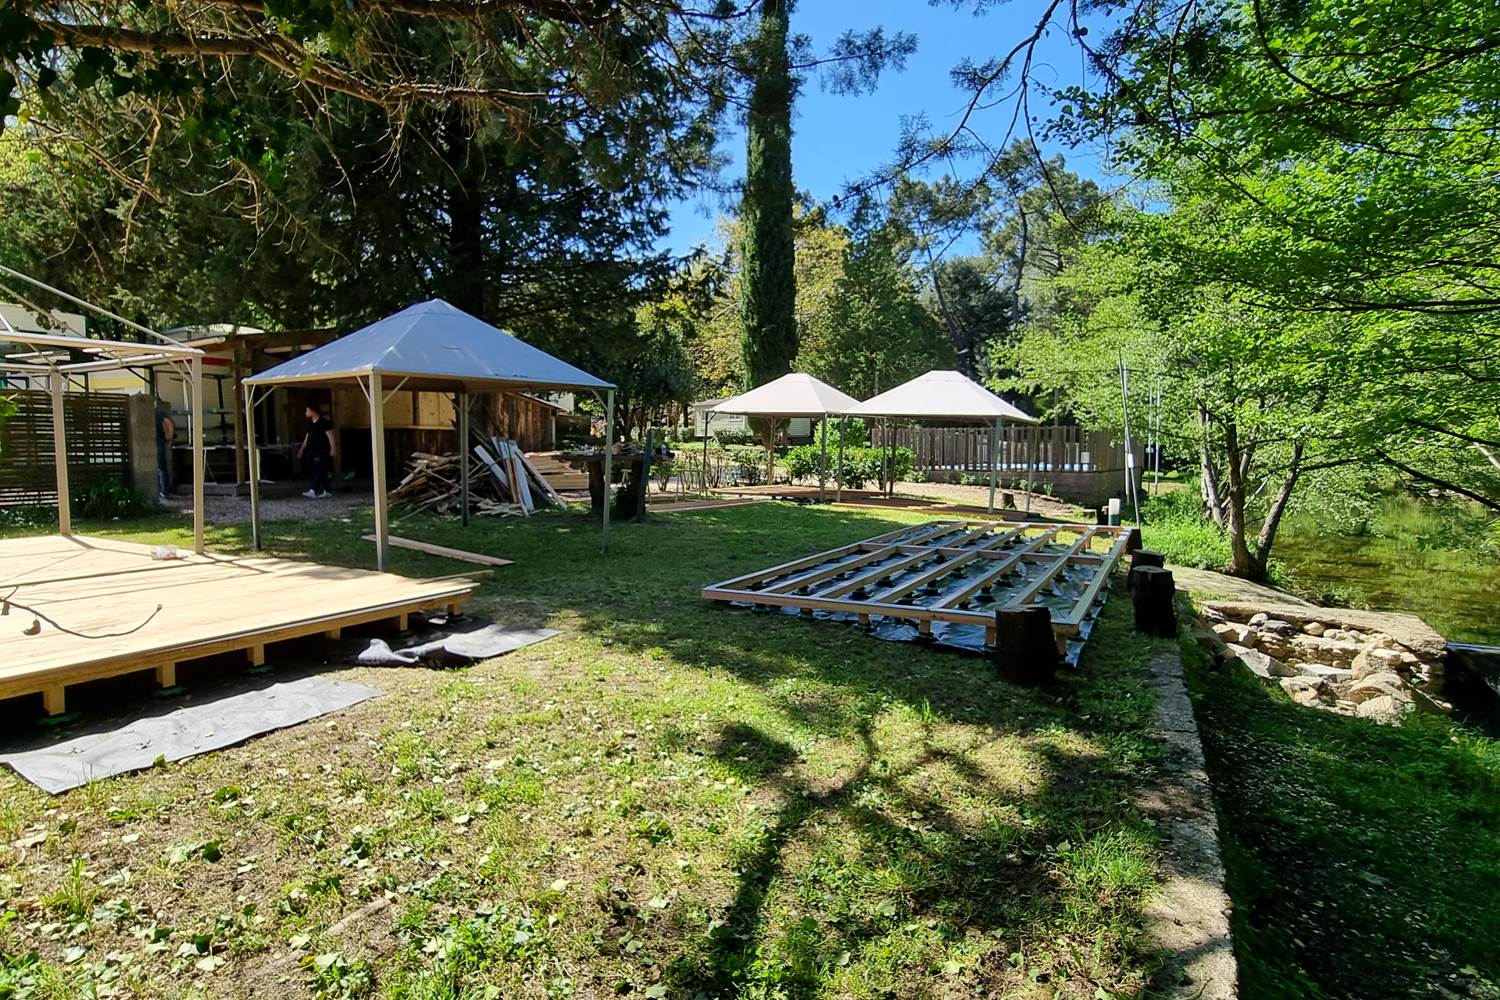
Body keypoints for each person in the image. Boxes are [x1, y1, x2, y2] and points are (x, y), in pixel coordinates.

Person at [297, 404, 337, 498]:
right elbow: (307, 438)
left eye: (307, 410)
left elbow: (330, 436)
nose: (306, 413)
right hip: (312, 450)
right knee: (320, 469)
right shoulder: (310, 423)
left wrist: (333, 448)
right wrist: (302, 449)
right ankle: (327, 490)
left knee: (319, 468)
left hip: (322, 449)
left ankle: (313, 490)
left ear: (313, 411)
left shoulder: (324, 423)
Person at [155, 400, 176, 501]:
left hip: (157, 443)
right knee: (161, 468)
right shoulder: (158, 413)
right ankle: (164, 491)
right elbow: (169, 423)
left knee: (161, 468)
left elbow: (169, 423)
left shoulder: (156, 414)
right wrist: (169, 436)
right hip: (159, 443)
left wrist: (169, 436)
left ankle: (164, 491)